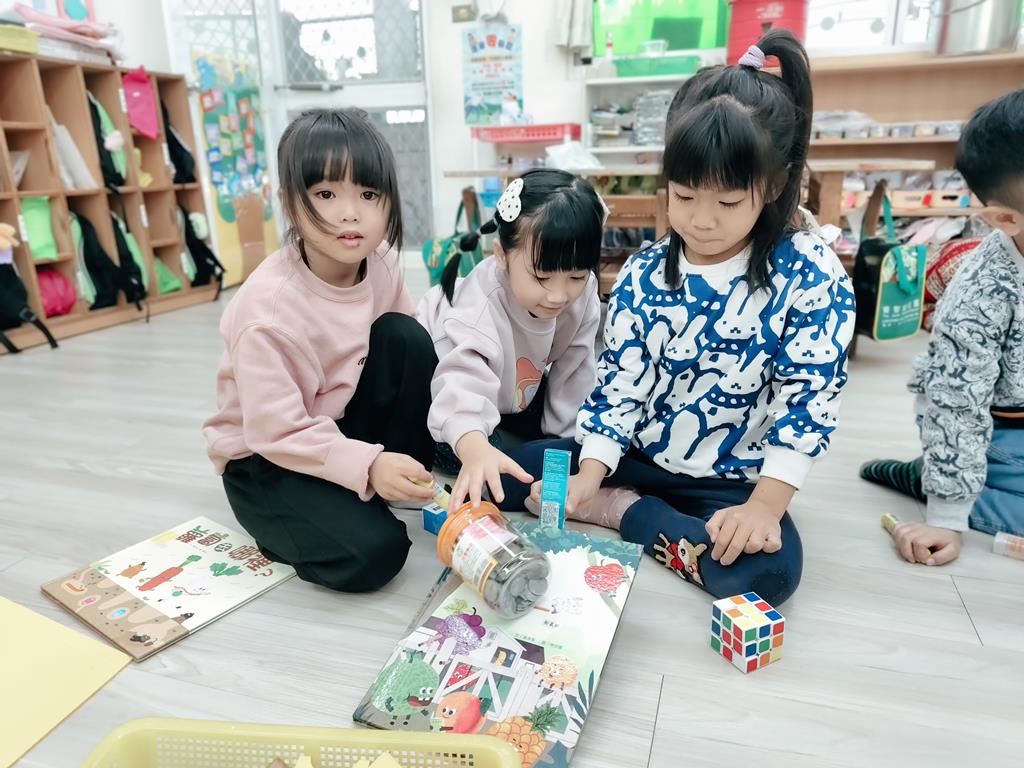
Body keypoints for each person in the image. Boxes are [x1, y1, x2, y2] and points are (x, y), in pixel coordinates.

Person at [499, 31, 856, 606]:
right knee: (511, 475)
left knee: (761, 577)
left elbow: (809, 400)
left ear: (774, 184)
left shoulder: (811, 273)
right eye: (684, 196)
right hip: (636, 456)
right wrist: (591, 472)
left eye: (728, 202)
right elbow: (621, 385)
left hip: (731, 482)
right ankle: (615, 500)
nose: (701, 221)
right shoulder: (644, 271)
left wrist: (765, 507)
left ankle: (625, 512)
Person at [203, 109, 437, 592]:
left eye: (368, 195)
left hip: (336, 423)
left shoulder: (382, 263)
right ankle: (296, 519)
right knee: (376, 554)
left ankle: (382, 482)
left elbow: (403, 365)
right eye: (326, 195)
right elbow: (276, 431)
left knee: (407, 336)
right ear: (290, 205)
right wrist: (368, 465)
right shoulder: (267, 311)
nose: (351, 213)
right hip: (266, 455)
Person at [860, 89, 1024, 565]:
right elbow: (956, 403)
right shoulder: (982, 292)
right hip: (994, 431)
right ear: (1006, 219)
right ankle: (937, 483)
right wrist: (947, 516)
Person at [418, 168, 605, 512]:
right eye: (542, 277)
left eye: (577, 276)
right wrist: (475, 448)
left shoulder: (583, 292)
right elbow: (461, 382)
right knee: (493, 466)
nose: (558, 295)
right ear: (502, 255)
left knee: (585, 440)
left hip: (514, 390)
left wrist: (567, 449)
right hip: (449, 397)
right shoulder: (480, 303)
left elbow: (576, 369)